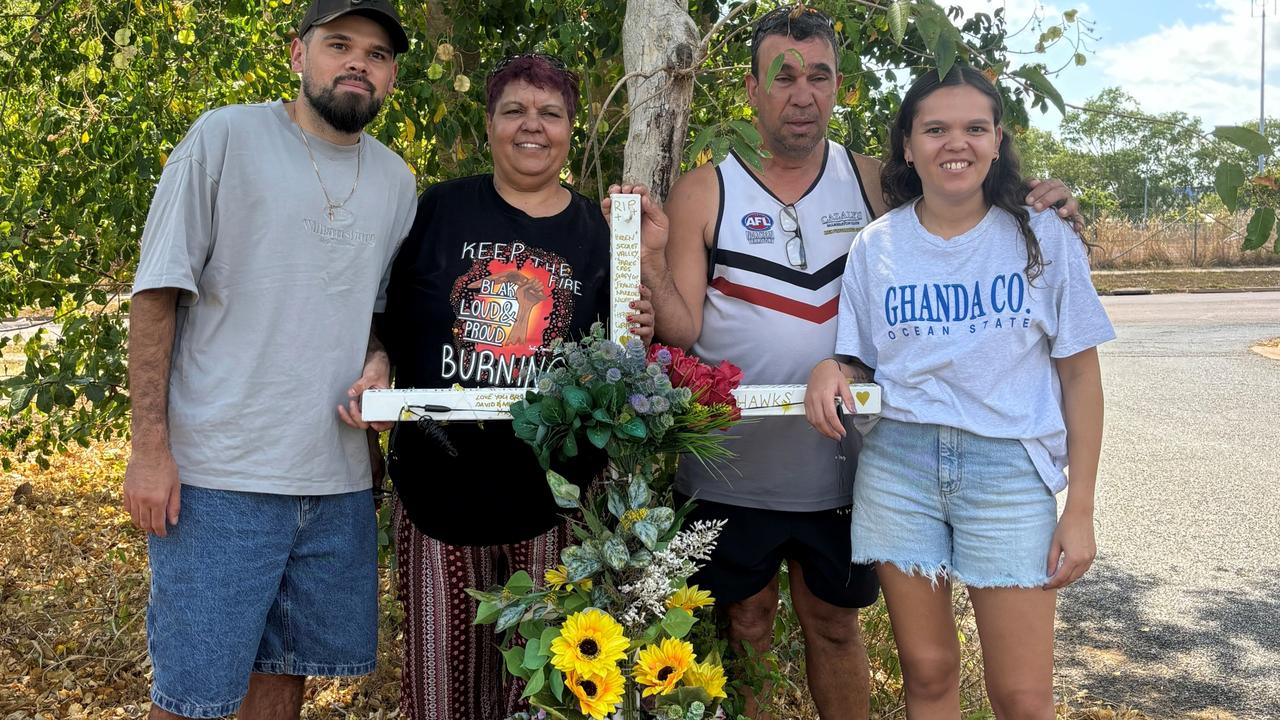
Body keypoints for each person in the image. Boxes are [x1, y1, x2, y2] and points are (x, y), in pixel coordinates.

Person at [631, 6, 1082, 719]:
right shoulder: (704, 189)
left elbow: (962, 207)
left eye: (819, 76)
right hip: (733, 462)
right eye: (783, 76)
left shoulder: (874, 179)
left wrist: (1042, 201)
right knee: (743, 625)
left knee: (836, 626)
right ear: (751, 88)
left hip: (849, 462)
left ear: (840, 86)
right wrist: (652, 262)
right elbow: (682, 326)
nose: (801, 93)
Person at [123, 1, 415, 717]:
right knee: (191, 697)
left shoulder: (396, 181)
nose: (357, 63)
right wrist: (150, 449)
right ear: (296, 53)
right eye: (339, 44)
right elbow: (156, 294)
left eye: (376, 54)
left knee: (286, 679)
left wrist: (381, 366)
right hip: (220, 477)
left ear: (390, 75)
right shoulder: (225, 137)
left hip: (338, 481)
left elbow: (374, 320)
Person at [804, 65, 1113, 719]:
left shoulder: (1044, 237)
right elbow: (862, 364)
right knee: (928, 672)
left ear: (998, 140)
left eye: (975, 128)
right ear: (908, 145)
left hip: (1007, 471)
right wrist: (834, 371)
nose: (956, 143)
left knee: (1023, 697)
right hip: (898, 467)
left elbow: (1080, 376)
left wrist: (1079, 506)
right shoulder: (876, 247)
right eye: (936, 128)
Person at [371, 54, 656, 720]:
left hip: (551, 508)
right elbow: (378, 321)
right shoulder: (436, 212)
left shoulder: (600, 234)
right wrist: (376, 361)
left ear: (570, 127)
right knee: (441, 696)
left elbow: (623, 363)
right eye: (515, 111)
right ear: (490, 124)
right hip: (439, 497)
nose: (533, 126)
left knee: (542, 696)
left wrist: (639, 321)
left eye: (551, 113)